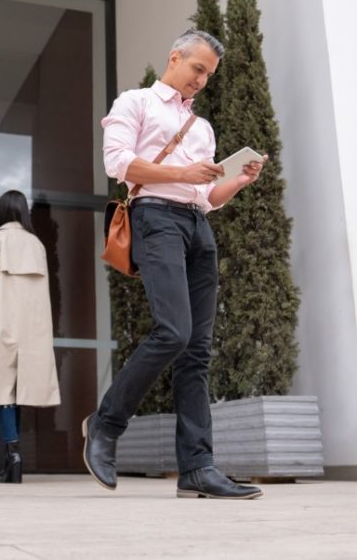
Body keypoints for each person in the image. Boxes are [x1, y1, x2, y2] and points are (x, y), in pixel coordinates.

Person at [82, 29, 267, 499]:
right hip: (155, 219)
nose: (201, 80)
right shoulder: (136, 102)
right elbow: (118, 163)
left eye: (208, 74)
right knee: (173, 331)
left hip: (197, 228)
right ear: (175, 57)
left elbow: (207, 196)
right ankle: (105, 424)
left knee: (197, 352)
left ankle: (198, 468)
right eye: (197, 68)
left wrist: (239, 180)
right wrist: (181, 173)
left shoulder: (202, 129)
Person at [0, 190, 61, 484]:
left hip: (2, 319)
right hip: (31, 324)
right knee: (18, 388)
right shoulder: (36, 244)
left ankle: (13, 455)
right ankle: (12, 461)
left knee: (1, 389)